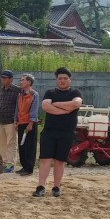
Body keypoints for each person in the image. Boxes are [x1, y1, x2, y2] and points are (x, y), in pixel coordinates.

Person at [34, 67, 83, 198]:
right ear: (56, 80)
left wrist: (55, 105)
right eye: (60, 78)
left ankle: (56, 187)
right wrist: (65, 110)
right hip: (49, 132)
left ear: (70, 79)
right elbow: (45, 106)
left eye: (65, 78)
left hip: (67, 132)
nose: (62, 81)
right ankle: (41, 187)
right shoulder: (50, 92)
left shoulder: (75, 92)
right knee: (45, 159)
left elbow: (76, 104)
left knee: (59, 161)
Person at [0, 70, 22, 173]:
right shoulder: (2, 89)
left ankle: (10, 164)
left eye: (5, 78)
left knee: (11, 143)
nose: (2, 79)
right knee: (2, 143)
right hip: (1, 120)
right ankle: (3, 162)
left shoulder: (17, 90)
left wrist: (17, 120)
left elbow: (21, 106)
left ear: (11, 79)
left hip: (11, 120)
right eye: (2, 78)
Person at [15, 73, 39, 176]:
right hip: (21, 123)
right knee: (22, 145)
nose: (21, 82)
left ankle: (29, 168)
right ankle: (24, 166)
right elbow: (17, 109)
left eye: (23, 80)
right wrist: (16, 121)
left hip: (30, 125)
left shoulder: (34, 94)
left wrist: (30, 124)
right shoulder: (20, 94)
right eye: (21, 80)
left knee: (29, 146)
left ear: (29, 82)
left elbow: (34, 110)